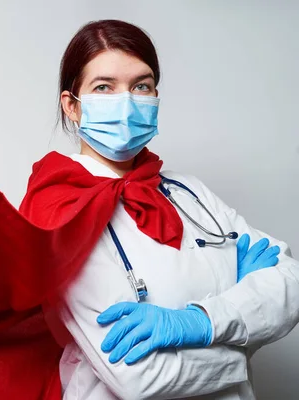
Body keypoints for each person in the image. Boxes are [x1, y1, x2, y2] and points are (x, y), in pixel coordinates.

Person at [19, 20, 299, 399]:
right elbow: (138, 379)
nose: (128, 101)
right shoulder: (61, 212)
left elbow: (290, 281)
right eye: (104, 87)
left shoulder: (190, 193)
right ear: (72, 106)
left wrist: (200, 322)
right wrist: (243, 343)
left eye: (141, 85)